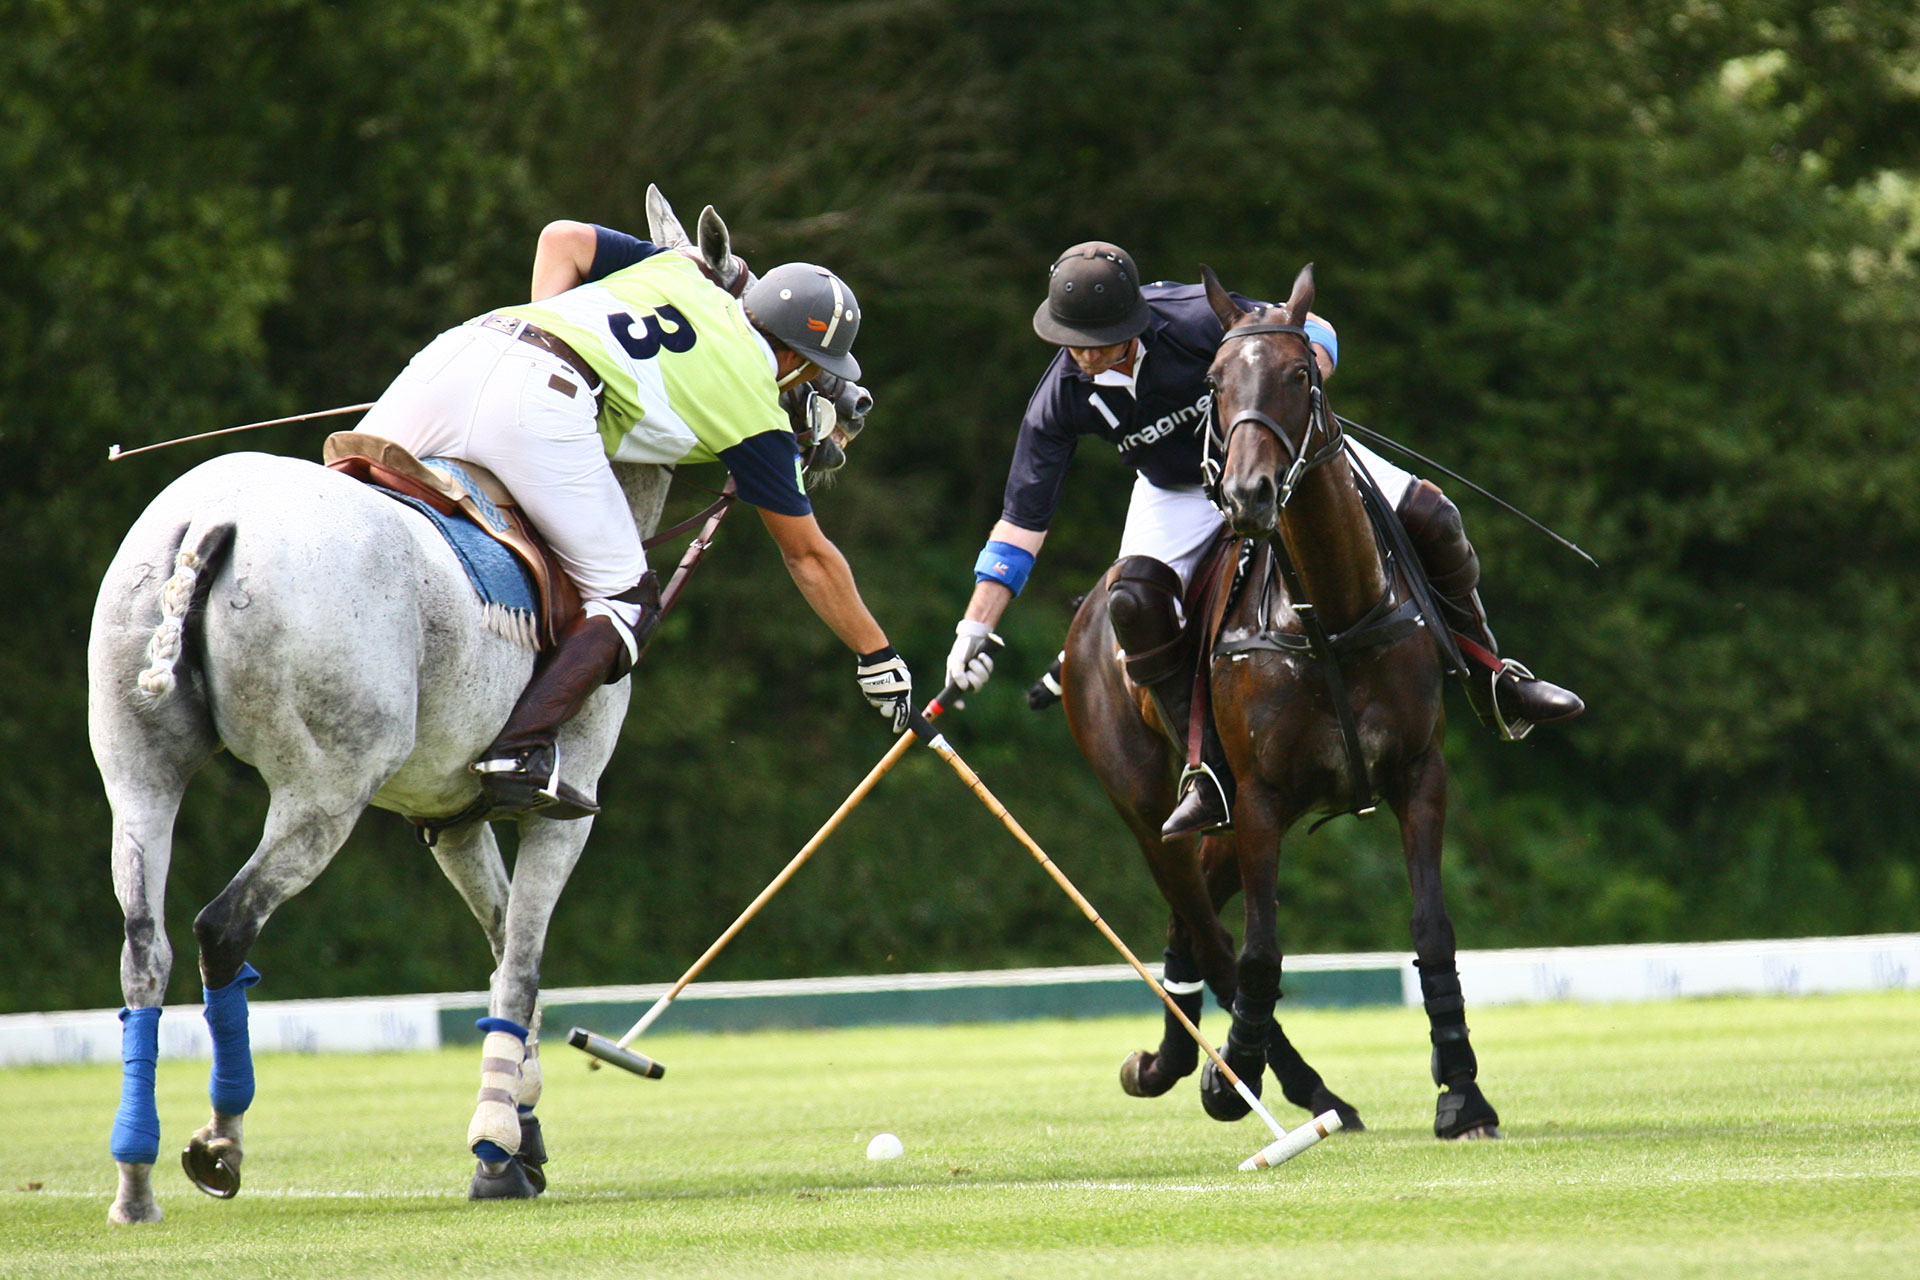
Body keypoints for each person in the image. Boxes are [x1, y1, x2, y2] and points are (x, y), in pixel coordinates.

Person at [946, 241, 1582, 841]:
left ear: (1134, 321)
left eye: (1098, 342)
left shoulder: (1193, 316)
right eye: (1071, 343)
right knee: (1134, 603)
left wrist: (1304, 377)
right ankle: (1209, 769)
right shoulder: (1057, 400)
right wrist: (975, 629)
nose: (1083, 355)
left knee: (1433, 516)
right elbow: (1021, 524)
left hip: (1275, 457)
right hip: (1176, 490)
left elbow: (1315, 330)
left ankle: (1492, 678)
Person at [358, 220, 913, 819]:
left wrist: (546, 324)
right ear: (799, 362)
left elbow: (561, 238)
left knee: (351, 505)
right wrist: (876, 655)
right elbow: (808, 556)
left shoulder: (679, 270)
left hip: (460, 350)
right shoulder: (758, 408)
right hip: (544, 396)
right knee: (627, 599)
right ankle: (517, 754)